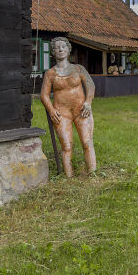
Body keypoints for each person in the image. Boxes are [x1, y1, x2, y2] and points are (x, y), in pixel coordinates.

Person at [40, 37, 97, 177]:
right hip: (62, 113)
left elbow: (90, 85)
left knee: (87, 142)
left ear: (68, 49)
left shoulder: (78, 68)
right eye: (57, 47)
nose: (60, 49)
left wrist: (88, 102)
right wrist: (51, 110)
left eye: (63, 46)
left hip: (81, 111)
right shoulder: (50, 73)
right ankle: (69, 177)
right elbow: (44, 95)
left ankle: (93, 173)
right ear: (53, 51)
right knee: (66, 146)